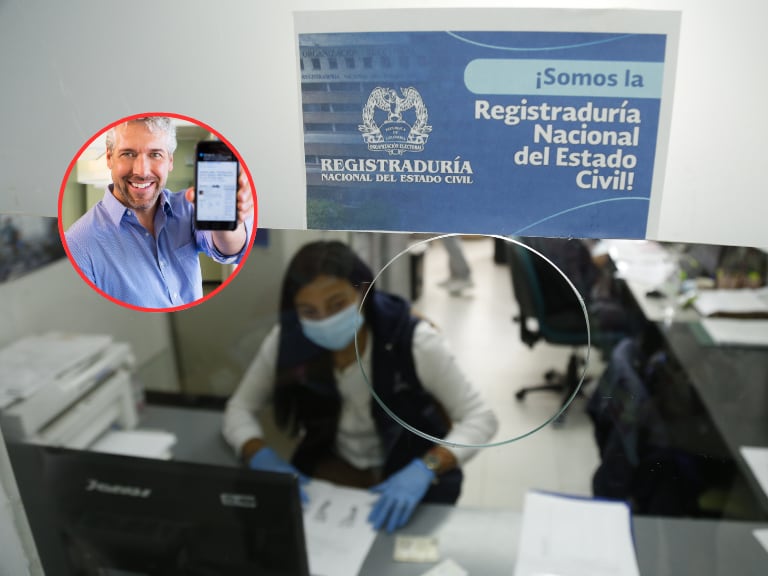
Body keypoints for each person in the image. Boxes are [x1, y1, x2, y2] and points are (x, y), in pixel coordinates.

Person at [223, 240, 498, 533]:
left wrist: (426, 467)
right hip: (333, 470)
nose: (325, 320)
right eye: (309, 311)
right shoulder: (287, 341)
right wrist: (259, 455)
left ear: (363, 292)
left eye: (337, 304)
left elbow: (480, 418)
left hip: (409, 469)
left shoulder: (414, 341)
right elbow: (239, 409)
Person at [65, 117, 253, 308]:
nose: (142, 171)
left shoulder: (187, 207)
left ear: (170, 161)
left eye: (155, 154)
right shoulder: (77, 244)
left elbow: (229, 250)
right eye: (128, 154)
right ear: (109, 158)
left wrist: (231, 220)